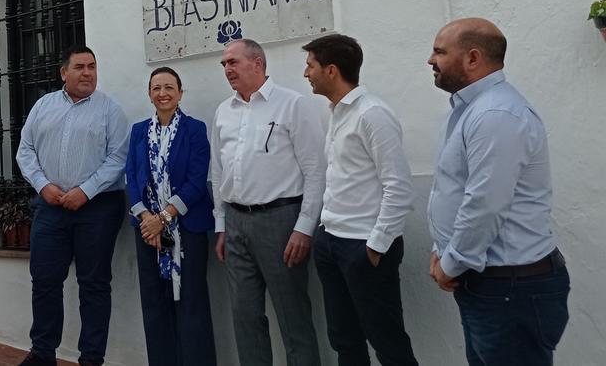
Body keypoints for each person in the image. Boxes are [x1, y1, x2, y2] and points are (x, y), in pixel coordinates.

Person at [426, 18, 570, 365]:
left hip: (509, 290)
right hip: (493, 285)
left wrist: (451, 262)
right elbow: (456, 189)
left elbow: (484, 206)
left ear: (473, 58)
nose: (431, 60)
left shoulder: (496, 114)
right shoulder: (475, 110)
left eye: (440, 51)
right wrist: (444, 251)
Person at [302, 34, 418, 366]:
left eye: (311, 66)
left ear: (332, 70)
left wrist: (376, 245)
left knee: (388, 341)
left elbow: (398, 185)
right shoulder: (337, 112)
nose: (306, 73)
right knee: (344, 339)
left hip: (363, 247)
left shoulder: (373, 114)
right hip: (331, 241)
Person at [211, 38, 326, 366]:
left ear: (257, 63)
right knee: (244, 318)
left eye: (233, 62)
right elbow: (218, 173)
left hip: (280, 222)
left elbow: (315, 172)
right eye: (224, 64)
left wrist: (304, 228)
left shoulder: (293, 105)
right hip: (235, 223)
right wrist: (222, 225)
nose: (227, 69)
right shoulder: (223, 111)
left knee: (294, 318)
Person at [16, 45, 130, 366]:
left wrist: (86, 190)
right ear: (63, 73)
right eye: (80, 67)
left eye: (92, 66)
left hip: (97, 208)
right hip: (51, 206)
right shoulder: (43, 106)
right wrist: (43, 185)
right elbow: (25, 150)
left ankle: (92, 358)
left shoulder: (110, 111)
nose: (88, 73)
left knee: (93, 284)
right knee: (45, 280)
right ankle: (42, 353)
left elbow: (118, 158)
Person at [125, 66, 217, 366]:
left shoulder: (194, 129)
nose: (162, 93)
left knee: (191, 304)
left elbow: (196, 181)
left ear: (180, 93)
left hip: (186, 229)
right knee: (154, 304)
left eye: (168, 87)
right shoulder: (139, 131)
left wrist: (162, 217)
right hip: (148, 232)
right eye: (156, 88)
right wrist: (147, 220)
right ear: (149, 94)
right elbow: (132, 177)